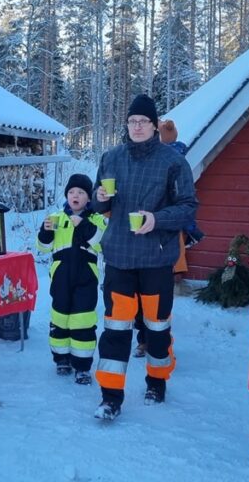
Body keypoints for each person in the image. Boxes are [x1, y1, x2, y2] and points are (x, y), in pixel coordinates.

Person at [91, 94, 198, 421]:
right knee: (115, 329)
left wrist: (156, 219)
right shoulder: (111, 158)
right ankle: (110, 397)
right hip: (120, 256)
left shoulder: (173, 162)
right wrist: (99, 198)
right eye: (132, 121)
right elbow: (99, 206)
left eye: (144, 122)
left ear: (155, 125)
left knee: (156, 326)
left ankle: (156, 381)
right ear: (127, 125)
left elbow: (188, 207)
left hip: (156, 258)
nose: (137, 127)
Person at [133, 118, 205, 358]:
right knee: (141, 299)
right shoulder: (135, 161)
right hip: (136, 245)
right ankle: (145, 339)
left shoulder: (175, 163)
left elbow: (185, 204)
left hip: (162, 243)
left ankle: (154, 345)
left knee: (156, 301)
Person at [36, 173, 106, 385]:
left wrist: (82, 225)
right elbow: (43, 247)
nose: (75, 196)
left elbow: (102, 244)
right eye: (71, 192)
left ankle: (82, 366)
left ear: (89, 198)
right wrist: (45, 232)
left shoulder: (97, 219)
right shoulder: (57, 217)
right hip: (61, 277)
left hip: (86, 277)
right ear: (67, 195)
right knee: (60, 318)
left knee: (82, 320)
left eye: (81, 192)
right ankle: (61, 359)